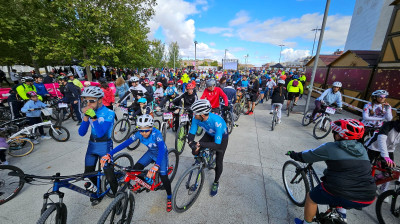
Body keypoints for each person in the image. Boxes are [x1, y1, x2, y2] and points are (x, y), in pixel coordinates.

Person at [289, 119, 376, 224]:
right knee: (343, 193)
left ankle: (306, 223)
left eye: (334, 132)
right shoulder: (362, 149)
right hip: (368, 196)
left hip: (341, 191)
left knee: (311, 198)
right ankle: (342, 215)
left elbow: (307, 156)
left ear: (338, 136)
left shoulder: (330, 147)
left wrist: (293, 154)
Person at [100, 115, 172, 211]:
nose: (143, 133)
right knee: (135, 169)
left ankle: (169, 196)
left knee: (164, 176)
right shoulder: (139, 134)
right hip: (150, 153)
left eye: (146, 130)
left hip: (161, 155)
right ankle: (147, 180)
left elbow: (162, 150)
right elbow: (125, 143)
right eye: (141, 130)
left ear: (151, 128)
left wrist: (156, 166)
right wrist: (109, 154)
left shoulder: (157, 134)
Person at [78, 86, 115, 205]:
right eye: (86, 101)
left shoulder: (109, 113)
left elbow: (100, 133)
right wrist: (85, 118)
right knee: (88, 173)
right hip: (92, 145)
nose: (88, 103)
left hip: (104, 145)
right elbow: (81, 133)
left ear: (100, 100)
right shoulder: (88, 112)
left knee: (109, 176)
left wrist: (93, 117)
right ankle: (97, 191)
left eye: (92, 101)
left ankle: (118, 197)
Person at [188, 99, 229, 196]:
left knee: (219, 161)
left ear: (202, 115)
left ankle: (216, 182)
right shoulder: (196, 118)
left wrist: (200, 144)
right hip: (209, 134)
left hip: (221, 138)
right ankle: (200, 163)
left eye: (195, 113)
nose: (194, 115)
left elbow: (217, 144)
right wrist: (192, 143)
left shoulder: (217, 122)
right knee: (196, 151)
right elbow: (192, 133)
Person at [365, 109, 400, 195]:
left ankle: (383, 191)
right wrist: (385, 156)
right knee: (364, 168)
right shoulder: (388, 125)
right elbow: (381, 140)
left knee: (390, 172)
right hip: (374, 147)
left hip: (389, 150)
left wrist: (387, 155)